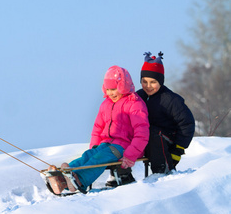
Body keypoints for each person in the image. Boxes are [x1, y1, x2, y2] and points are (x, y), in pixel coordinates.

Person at [47, 66, 150, 194]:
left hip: (125, 147)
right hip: (106, 144)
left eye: (114, 89)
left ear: (123, 87)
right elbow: (97, 128)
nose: (111, 93)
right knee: (89, 155)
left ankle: (80, 180)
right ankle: (65, 177)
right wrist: (94, 146)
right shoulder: (106, 104)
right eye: (108, 89)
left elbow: (142, 133)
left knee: (99, 158)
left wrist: (130, 154)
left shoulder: (134, 104)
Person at [106, 52, 196, 186]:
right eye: (144, 81)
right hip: (145, 138)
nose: (148, 85)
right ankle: (121, 174)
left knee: (153, 132)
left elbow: (187, 123)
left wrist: (178, 149)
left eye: (153, 82)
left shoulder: (171, 100)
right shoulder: (137, 97)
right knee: (126, 135)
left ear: (161, 81)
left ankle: (162, 170)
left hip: (167, 139)